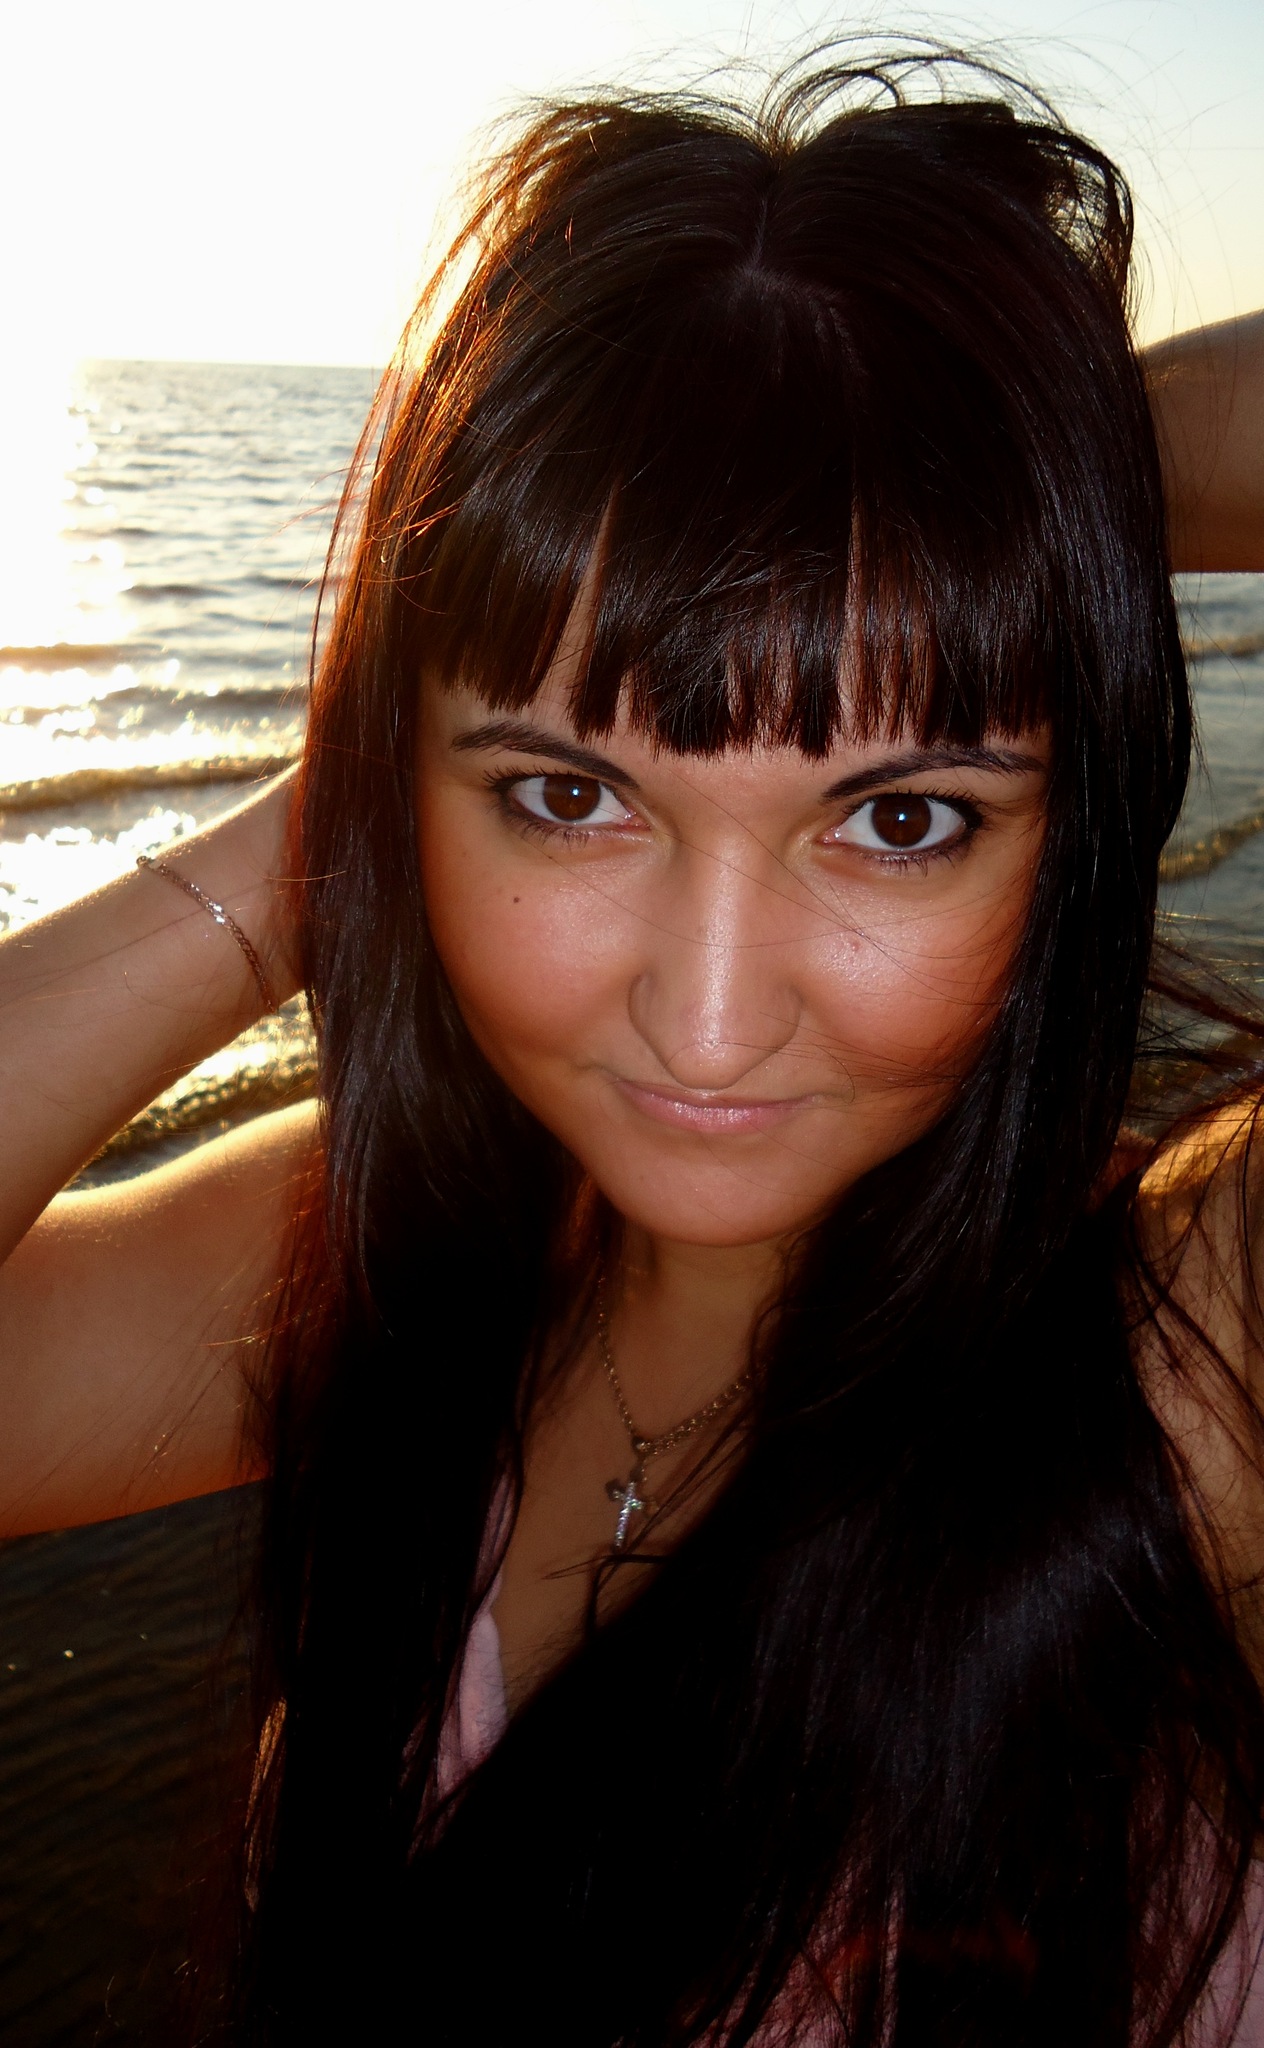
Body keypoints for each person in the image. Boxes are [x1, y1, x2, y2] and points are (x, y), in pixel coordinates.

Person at [1, 46, 1264, 2047]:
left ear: (1072, 832)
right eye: (564, 796)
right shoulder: (389, 1254)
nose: (708, 1015)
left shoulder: (1184, 1375)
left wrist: (1053, 473)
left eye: (900, 817)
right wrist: (314, 843)